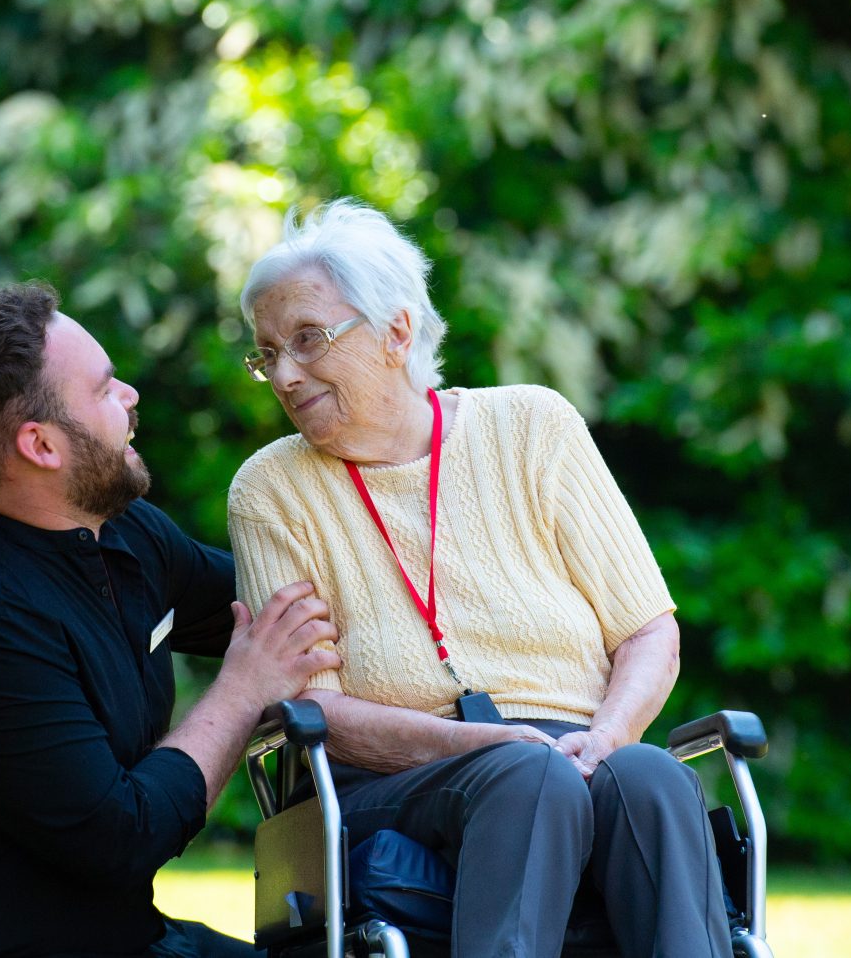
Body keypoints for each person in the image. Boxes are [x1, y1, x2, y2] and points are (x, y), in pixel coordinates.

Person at [226, 201, 735, 958]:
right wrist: (474, 743)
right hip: (397, 780)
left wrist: (605, 740)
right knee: (528, 779)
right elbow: (313, 706)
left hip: (574, 753)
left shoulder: (534, 426)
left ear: (396, 332)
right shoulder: (272, 489)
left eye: (307, 339)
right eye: (268, 353)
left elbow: (647, 630)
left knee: (652, 779)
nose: (286, 374)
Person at [0, 283, 339, 958]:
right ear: (41, 445)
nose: (132, 395)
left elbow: (284, 606)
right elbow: (121, 837)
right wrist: (244, 686)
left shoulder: (125, 532)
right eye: (106, 389)